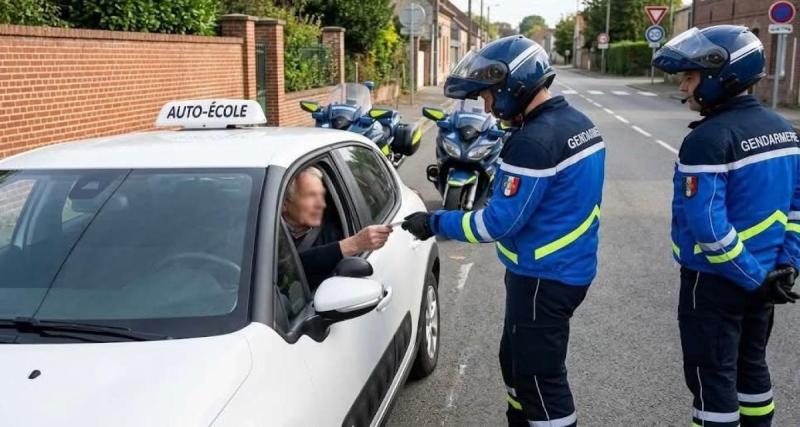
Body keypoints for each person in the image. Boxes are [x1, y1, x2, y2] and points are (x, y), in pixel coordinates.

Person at [402, 35, 605, 427]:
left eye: (490, 95)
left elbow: (496, 222)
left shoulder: (532, 142)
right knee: (513, 362)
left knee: (540, 381)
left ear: (514, 86)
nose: (487, 106)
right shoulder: (578, 123)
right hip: (562, 269)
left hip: (543, 278)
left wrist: (434, 222)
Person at [653, 25, 800, 427]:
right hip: (770, 275)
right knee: (752, 371)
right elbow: (796, 206)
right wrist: (786, 265)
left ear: (722, 76)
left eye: (691, 76)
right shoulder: (784, 130)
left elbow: (708, 226)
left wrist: (751, 278)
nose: (684, 87)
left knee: (712, 380)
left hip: (716, 282)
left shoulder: (708, 140)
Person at [282, 166, 392, 289]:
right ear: (284, 204)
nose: (321, 204)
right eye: (311, 196)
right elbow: (282, 272)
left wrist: (354, 244)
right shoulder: (263, 236)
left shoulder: (334, 234)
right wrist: (353, 244)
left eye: (321, 196)